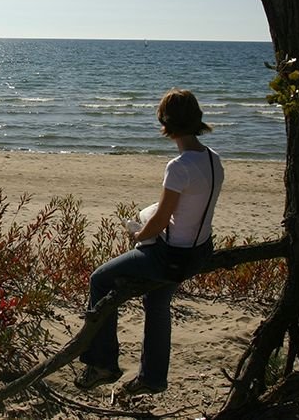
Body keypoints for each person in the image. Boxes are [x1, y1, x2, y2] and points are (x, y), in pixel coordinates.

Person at [74, 88, 225, 395]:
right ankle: (153, 378)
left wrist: (137, 236)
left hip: (170, 256)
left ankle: (103, 363)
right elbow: (186, 210)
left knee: (99, 280)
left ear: (165, 122)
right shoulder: (213, 159)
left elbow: (160, 220)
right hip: (199, 251)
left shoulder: (178, 167)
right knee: (157, 302)